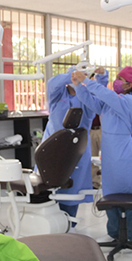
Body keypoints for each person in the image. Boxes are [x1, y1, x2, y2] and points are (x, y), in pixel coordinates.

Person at [79, 67, 132, 243]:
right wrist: (78, 85)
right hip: (110, 152)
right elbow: (91, 100)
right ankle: (115, 232)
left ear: (129, 85)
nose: (116, 82)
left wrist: (87, 81)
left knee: (126, 192)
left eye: (120, 79)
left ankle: (129, 235)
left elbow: (107, 96)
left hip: (123, 152)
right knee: (110, 192)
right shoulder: (113, 102)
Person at [42, 64, 100, 220]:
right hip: (53, 147)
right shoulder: (58, 94)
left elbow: (98, 98)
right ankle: (53, 222)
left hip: (77, 150)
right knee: (49, 188)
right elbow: (51, 84)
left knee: (72, 191)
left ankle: (69, 223)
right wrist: (73, 75)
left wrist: (87, 81)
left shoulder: (86, 98)